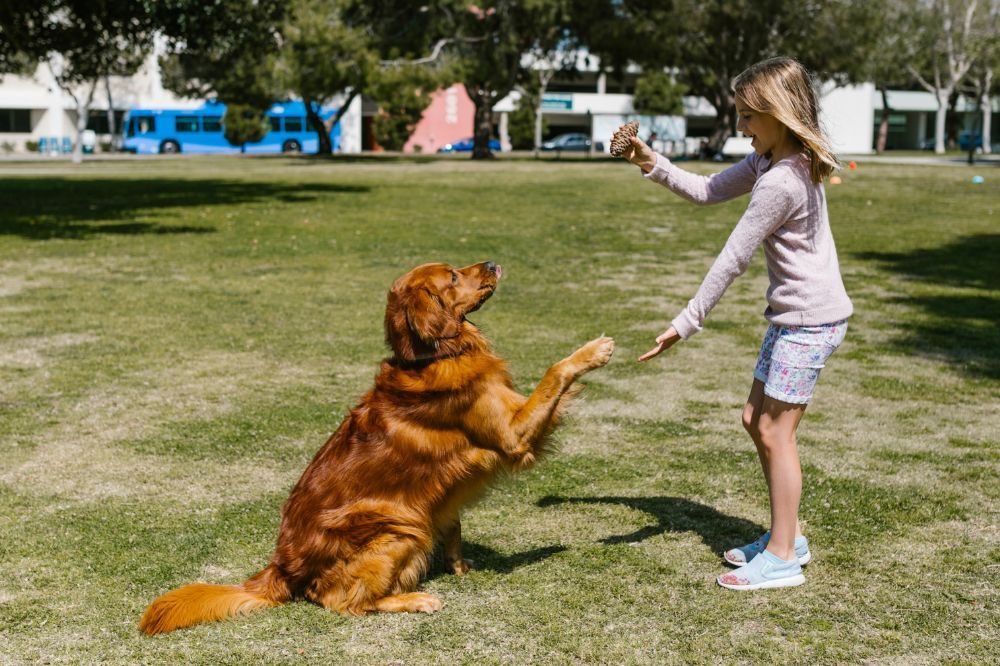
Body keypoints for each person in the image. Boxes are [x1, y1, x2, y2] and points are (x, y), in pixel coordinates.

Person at [618, 56, 853, 590]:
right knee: (756, 419)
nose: (741, 127)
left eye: (749, 116)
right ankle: (787, 534)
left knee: (775, 431)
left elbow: (732, 257)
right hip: (794, 318)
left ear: (779, 113)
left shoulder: (781, 180)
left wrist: (686, 322)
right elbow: (705, 189)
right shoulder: (771, 160)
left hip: (810, 323)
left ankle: (784, 556)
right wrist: (649, 160)